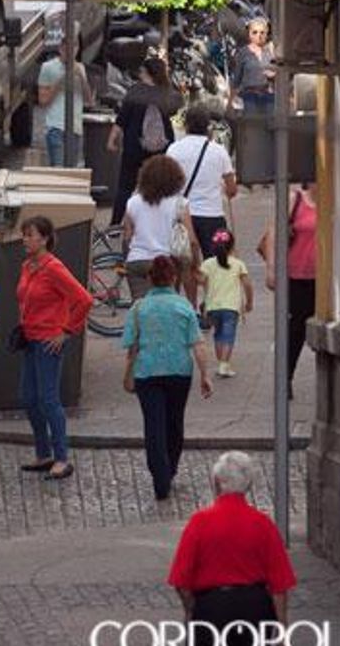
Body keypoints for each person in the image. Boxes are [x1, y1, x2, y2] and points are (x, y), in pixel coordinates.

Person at [168, 451, 297, 645]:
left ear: (217, 482)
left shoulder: (200, 522)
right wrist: (282, 626)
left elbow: (180, 580)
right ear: (248, 485)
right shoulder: (263, 524)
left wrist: (191, 608)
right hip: (254, 609)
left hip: (211, 609)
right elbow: (280, 584)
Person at [120, 256, 213, 500]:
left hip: (147, 373)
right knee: (174, 423)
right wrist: (205, 375)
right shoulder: (183, 307)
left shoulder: (138, 308)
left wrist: (127, 370)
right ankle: (169, 468)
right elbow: (198, 344)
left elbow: (131, 345)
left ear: (149, 279)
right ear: (174, 278)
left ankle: (159, 477)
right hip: (178, 372)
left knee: (153, 425)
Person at [16, 216, 92, 480]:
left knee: (49, 400)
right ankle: (43, 453)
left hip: (48, 342)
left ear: (45, 239)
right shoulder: (28, 266)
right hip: (30, 339)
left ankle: (61, 457)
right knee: (29, 398)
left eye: (30, 235)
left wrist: (66, 331)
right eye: (24, 234)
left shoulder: (53, 268)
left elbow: (83, 299)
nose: (24, 239)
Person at [164, 104, 238, 309]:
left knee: (184, 264)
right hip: (212, 216)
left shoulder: (174, 149)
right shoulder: (218, 151)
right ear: (208, 127)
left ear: (186, 125)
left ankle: (190, 307)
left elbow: (167, 181)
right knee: (214, 264)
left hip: (181, 216)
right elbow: (232, 189)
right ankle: (212, 305)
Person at [107, 57, 184, 225]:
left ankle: (115, 224)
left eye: (142, 71)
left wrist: (112, 139)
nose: (139, 74)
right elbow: (174, 111)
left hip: (134, 147)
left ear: (148, 73)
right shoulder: (167, 93)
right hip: (161, 149)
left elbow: (122, 119)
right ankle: (158, 222)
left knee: (125, 186)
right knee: (159, 186)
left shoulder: (136, 92)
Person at [258, 182, 317, 398]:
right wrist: (272, 268)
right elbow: (274, 233)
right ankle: (285, 377)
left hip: (325, 279)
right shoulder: (295, 200)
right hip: (296, 276)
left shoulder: (336, 200)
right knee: (296, 329)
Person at [121, 155, 199, 299]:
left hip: (137, 262)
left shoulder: (133, 202)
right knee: (166, 305)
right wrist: (194, 263)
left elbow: (127, 237)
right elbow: (192, 240)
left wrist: (127, 260)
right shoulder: (180, 204)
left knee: (140, 305)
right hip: (167, 264)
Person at [197, 230, 254, 378]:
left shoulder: (207, 264)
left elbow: (201, 280)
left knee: (218, 334)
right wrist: (249, 302)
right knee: (228, 335)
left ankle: (222, 363)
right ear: (232, 246)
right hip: (231, 307)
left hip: (212, 307)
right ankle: (224, 364)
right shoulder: (238, 264)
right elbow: (247, 285)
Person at [36, 42, 94, 168]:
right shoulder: (48, 67)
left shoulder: (80, 68)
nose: (71, 52)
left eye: (75, 48)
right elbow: (43, 101)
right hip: (55, 126)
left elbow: (89, 101)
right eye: (67, 49)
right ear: (61, 49)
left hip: (75, 128)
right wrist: (62, 80)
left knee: (72, 170)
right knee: (58, 168)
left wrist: (82, 78)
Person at [230, 17, 276, 118]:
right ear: (249, 34)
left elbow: (282, 73)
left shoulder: (271, 51)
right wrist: (230, 104)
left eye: (262, 33)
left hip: (268, 95)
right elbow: (236, 80)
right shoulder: (243, 53)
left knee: (270, 124)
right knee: (252, 125)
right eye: (254, 32)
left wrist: (274, 75)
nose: (258, 36)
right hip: (249, 97)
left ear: (266, 34)